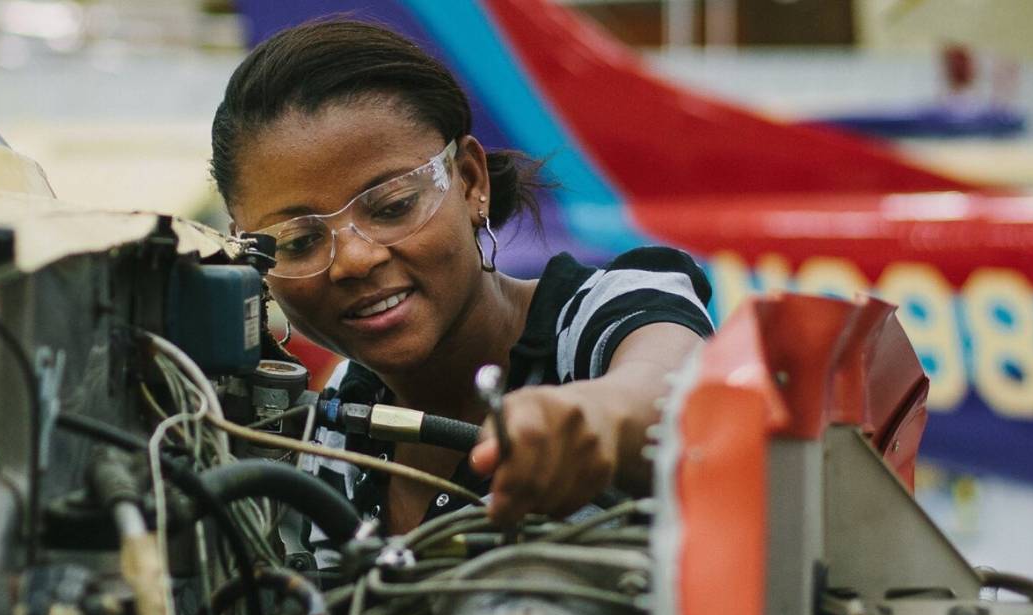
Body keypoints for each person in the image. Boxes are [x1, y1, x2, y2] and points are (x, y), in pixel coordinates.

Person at [210, 19, 713, 536]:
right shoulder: (339, 416)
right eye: (297, 242)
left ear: (470, 181)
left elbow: (667, 386)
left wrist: (596, 415)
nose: (355, 261)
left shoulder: (604, 313)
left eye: (393, 205)